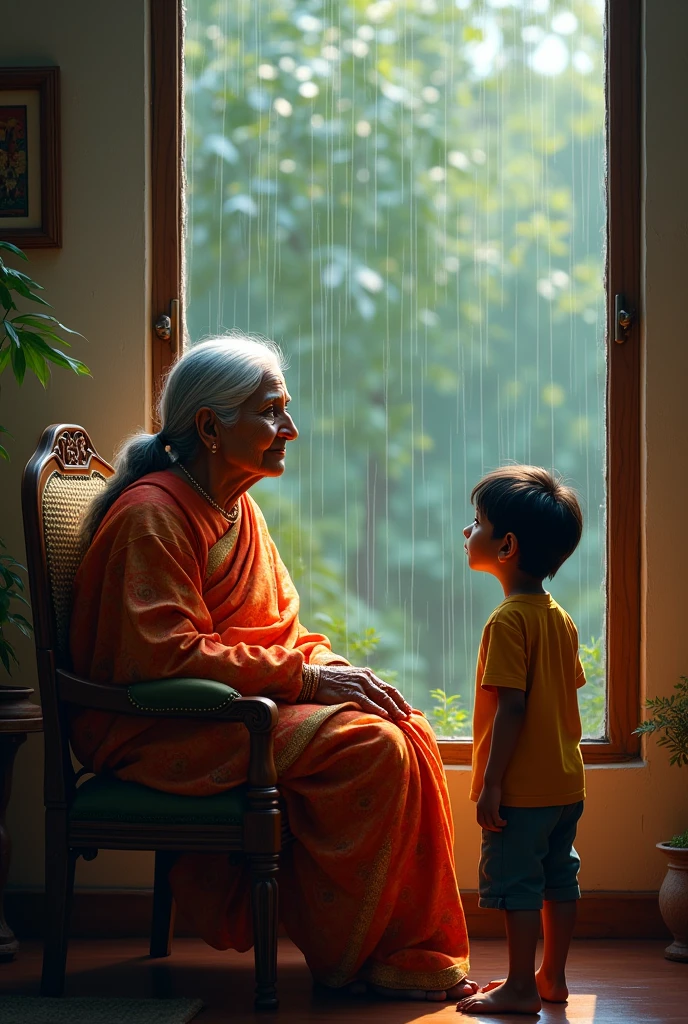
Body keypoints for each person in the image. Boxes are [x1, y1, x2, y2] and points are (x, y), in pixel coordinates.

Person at [70, 332, 476, 1001]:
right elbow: (163, 654)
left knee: (406, 728)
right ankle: (353, 960)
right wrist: (310, 680)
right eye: (271, 412)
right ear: (210, 426)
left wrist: (339, 673)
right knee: (372, 750)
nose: (291, 428)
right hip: (155, 723)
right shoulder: (152, 515)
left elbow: (278, 631)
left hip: (232, 706)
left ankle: (398, 952)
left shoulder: (239, 508)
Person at [455, 466, 585, 1015]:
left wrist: (491, 784)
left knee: (516, 884)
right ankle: (551, 976)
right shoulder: (559, 618)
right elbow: (565, 694)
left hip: (522, 791)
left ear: (506, 546)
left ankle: (519, 988)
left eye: (477, 523)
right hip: (565, 783)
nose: (468, 533)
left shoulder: (507, 621)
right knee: (560, 876)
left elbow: (513, 706)